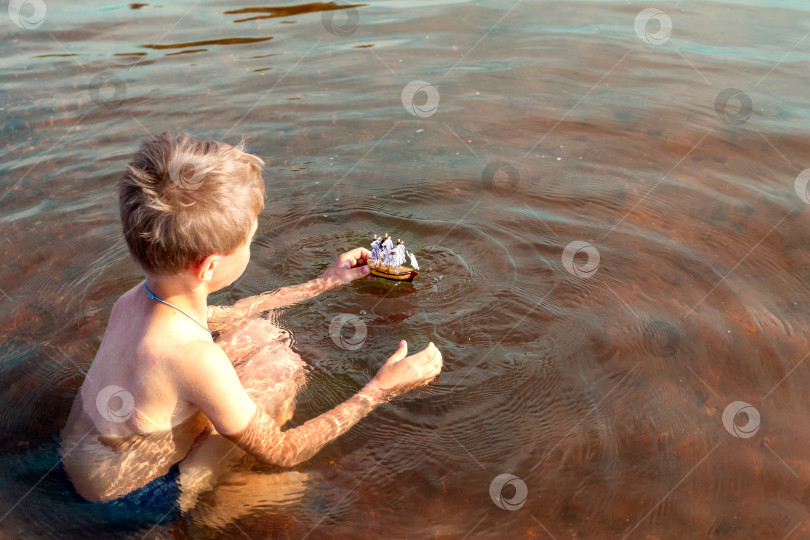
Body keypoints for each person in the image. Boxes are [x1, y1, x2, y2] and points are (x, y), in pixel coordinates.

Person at [59, 133, 443, 508]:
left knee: (258, 332)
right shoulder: (196, 360)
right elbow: (282, 450)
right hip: (133, 499)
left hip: (82, 458)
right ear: (209, 265)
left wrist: (323, 283)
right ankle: (219, 503)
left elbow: (228, 315)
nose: (250, 246)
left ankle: (210, 479)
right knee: (280, 369)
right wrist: (380, 389)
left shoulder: (133, 301)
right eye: (249, 240)